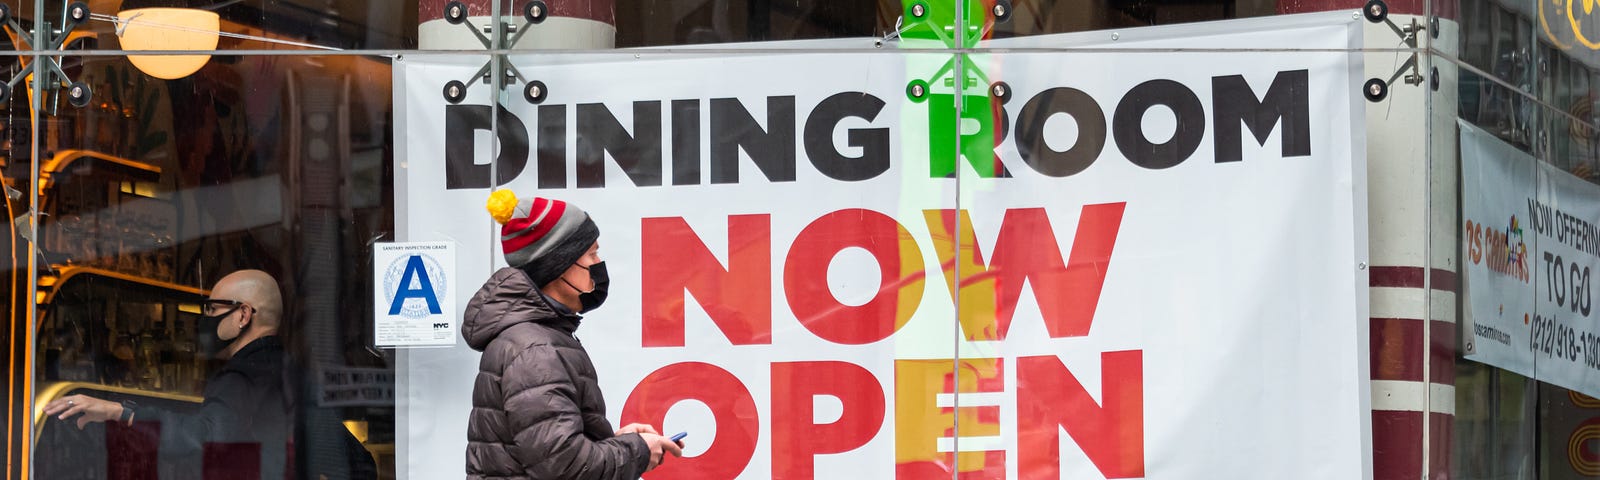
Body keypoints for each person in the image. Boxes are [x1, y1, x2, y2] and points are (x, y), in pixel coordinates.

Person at [41, 269, 376, 479]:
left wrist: (120, 411)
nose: (206, 319)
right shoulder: (294, 377)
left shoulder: (240, 376)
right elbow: (360, 465)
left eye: (214, 309)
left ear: (244, 314)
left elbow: (203, 437)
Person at [465, 190, 682, 480]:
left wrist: (618, 442)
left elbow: (551, 453)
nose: (598, 263)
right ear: (559, 265)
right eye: (591, 253)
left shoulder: (535, 338)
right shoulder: (535, 350)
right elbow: (565, 466)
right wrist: (637, 450)